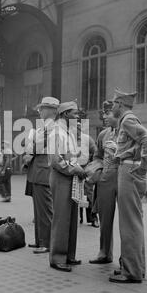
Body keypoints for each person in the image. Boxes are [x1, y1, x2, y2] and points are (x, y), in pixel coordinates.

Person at [109, 88, 147, 283]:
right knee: (133, 222)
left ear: (120, 104)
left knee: (129, 224)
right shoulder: (127, 120)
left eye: (113, 103)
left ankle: (132, 272)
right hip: (129, 171)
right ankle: (136, 267)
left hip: (128, 172)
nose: (112, 106)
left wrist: (144, 167)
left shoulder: (128, 119)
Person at [49, 101, 87, 272]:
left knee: (71, 218)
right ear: (65, 114)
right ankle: (57, 258)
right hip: (61, 176)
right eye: (75, 113)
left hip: (70, 176)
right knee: (62, 218)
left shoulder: (68, 132)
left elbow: (67, 154)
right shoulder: (57, 132)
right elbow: (56, 161)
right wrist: (75, 168)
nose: (78, 116)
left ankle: (69, 255)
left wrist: (76, 156)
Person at [23, 96, 59, 254]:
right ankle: (40, 240)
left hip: (43, 170)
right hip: (38, 170)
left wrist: (30, 149)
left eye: (43, 108)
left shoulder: (52, 126)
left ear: (52, 110)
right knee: (38, 210)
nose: (40, 110)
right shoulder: (44, 126)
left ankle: (47, 243)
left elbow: (36, 145)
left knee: (45, 210)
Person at [89, 100, 119, 265]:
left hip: (123, 178)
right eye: (103, 113)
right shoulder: (103, 134)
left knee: (126, 221)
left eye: (108, 113)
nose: (104, 116)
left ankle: (127, 258)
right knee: (105, 218)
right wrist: (98, 171)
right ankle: (104, 253)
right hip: (105, 180)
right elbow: (97, 156)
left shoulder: (127, 131)